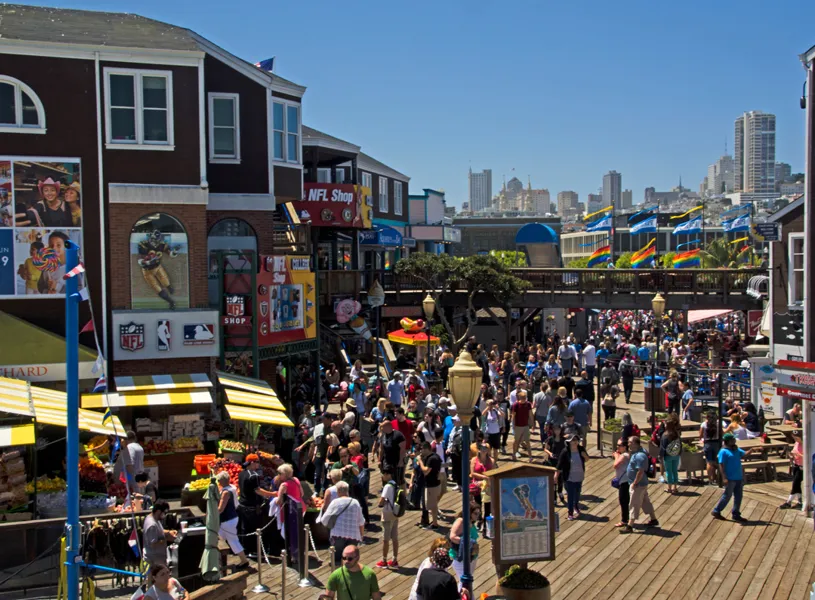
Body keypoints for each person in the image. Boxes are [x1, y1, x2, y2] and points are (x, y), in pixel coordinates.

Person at [711, 433, 759, 522]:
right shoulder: (723, 451)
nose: (734, 441)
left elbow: (744, 455)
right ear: (728, 441)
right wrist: (724, 477)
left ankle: (736, 513)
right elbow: (721, 465)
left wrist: (752, 450)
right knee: (727, 495)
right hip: (730, 478)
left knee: (738, 496)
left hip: (738, 477)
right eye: (732, 440)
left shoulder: (736, 449)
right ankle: (716, 510)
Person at [619, 436, 659, 534]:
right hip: (641, 484)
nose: (628, 444)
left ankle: (629, 526)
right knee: (645, 502)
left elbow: (640, 471)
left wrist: (634, 483)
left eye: (629, 442)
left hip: (638, 485)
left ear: (634, 443)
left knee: (633, 504)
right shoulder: (636, 453)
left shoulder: (640, 456)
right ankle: (654, 520)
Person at [237, 454, 274, 556]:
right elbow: (258, 491)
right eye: (257, 462)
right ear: (252, 462)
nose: (258, 464)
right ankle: (254, 551)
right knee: (255, 529)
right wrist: (272, 494)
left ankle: (246, 550)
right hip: (252, 506)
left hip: (242, 504)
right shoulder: (253, 475)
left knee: (245, 528)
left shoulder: (241, 473)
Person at [322, 481, 365, 564]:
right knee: (351, 560)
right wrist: (361, 535)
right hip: (353, 535)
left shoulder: (335, 502)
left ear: (338, 491)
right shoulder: (355, 502)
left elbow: (324, 520)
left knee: (337, 559)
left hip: (338, 534)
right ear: (347, 490)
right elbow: (361, 521)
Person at [215, 471, 249, 568]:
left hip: (227, 520)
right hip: (232, 518)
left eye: (219, 480)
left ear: (221, 480)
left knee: (233, 540)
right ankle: (219, 562)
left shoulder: (225, 492)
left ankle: (244, 560)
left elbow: (221, 509)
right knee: (219, 538)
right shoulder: (233, 487)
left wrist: (211, 514)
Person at [449, 502, 481, 592]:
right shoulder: (461, 521)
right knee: (464, 582)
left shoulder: (471, 522)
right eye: (475, 513)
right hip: (460, 557)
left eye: (479, 513)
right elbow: (452, 536)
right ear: (469, 512)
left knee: (468, 580)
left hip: (471, 556)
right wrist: (468, 542)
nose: (477, 516)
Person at [556, 434, 589, 520]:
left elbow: (587, 459)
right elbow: (559, 466)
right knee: (570, 495)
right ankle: (570, 513)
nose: (575, 442)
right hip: (569, 477)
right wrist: (556, 477)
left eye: (576, 440)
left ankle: (576, 506)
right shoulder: (565, 451)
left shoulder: (581, 449)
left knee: (577, 494)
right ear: (569, 442)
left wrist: (584, 455)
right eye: (573, 440)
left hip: (579, 475)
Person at [376, 466, 400, 569]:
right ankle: (394, 559)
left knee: (385, 539)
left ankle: (384, 560)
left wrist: (380, 504)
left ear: (387, 475)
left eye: (383, 474)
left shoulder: (387, 486)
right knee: (395, 537)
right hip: (395, 512)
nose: (382, 476)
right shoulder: (395, 484)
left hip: (387, 513)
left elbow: (381, 500)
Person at [142, 501, 175, 575]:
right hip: (154, 560)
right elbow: (153, 543)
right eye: (164, 513)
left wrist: (169, 532)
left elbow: (159, 531)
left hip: (158, 558)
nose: (165, 515)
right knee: (157, 583)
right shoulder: (151, 525)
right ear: (158, 511)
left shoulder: (153, 518)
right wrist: (167, 539)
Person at [417, 441, 443, 529]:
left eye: (422, 449)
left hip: (432, 485)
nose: (421, 451)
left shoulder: (431, 459)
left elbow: (425, 471)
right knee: (433, 504)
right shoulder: (436, 457)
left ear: (426, 449)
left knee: (432, 506)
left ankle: (435, 524)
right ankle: (434, 522)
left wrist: (420, 461)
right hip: (436, 484)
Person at [780, 430, 804, 509]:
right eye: (794, 438)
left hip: (802, 466)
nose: (796, 440)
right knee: (797, 484)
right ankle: (800, 501)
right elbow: (794, 451)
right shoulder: (796, 443)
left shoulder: (806, 444)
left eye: (797, 438)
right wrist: (791, 455)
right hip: (796, 464)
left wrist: (799, 455)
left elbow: (807, 456)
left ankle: (789, 502)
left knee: (795, 483)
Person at [378, 420, 406, 486]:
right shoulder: (383, 435)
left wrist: (401, 462)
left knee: (398, 481)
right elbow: (381, 448)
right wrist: (379, 460)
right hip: (386, 461)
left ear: (388, 427)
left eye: (382, 427)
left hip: (396, 461)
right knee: (386, 478)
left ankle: (401, 494)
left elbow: (402, 450)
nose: (381, 429)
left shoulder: (398, 435)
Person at [660, 415, 682, 495]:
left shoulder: (665, 435)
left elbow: (662, 447)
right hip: (676, 455)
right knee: (675, 471)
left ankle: (669, 487)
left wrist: (661, 456)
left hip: (668, 455)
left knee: (669, 472)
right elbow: (680, 444)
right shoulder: (676, 434)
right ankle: (675, 487)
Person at [544, 425, 566, 505]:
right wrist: (550, 453)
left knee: (560, 479)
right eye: (555, 429)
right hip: (552, 462)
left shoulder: (563, 440)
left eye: (558, 429)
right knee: (553, 480)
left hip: (560, 461)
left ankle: (560, 491)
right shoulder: (550, 439)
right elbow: (545, 448)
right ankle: (554, 497)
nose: (557, 431)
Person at [612, 438, 631, 528]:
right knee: (625, 500)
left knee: (623, 501)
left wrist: (616, 456)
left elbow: (615, 465)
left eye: (619, 445)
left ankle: (624, 520)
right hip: (625, 480)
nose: (617, 447)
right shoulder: (625, 455)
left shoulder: (624, 455)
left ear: (625, 446)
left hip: (625, 481)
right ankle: (627, 519)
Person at [510, 390, 533, 461]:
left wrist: (533, 424)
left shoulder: (528, 404)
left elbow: (530, 414)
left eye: (525, 397)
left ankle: (530, 456)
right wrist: (513, 424)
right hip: (518, 426)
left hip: (526, 426)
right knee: (516, 441)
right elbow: (513, 416)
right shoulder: (515, 405)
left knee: (527, 441)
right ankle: (514, 454)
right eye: (522, 397)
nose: (524, 398)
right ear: (519, 397)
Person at [700, 411, 721, 485]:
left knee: (709, 462)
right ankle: (716, 477)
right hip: (717, 443)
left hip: (708, 443)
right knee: (716, 461)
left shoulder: (704, 424)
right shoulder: (718, 424)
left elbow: (700, 435)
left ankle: (710, 480)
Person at [531, 381, 552, 448]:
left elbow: (533, 406)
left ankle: (543, 440)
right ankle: (546, 440)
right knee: (545, 428)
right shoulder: (548, 397)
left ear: (541, 387)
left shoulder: (536, 395)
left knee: (541, 428)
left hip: (539, 414)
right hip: (546, 414)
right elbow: (549, 406)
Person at [482, 398, 503, 463]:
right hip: (489, 433)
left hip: (496, 432)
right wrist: (488, 407)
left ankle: (495, 462)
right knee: (488, 449)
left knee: (496, 449)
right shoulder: (487, 412)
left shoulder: (496, 411)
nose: (491, 405)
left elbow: (503, 415)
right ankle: (490, 462)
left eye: (492, 404)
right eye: (490, 404)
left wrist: (498, 408)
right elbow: (482, 414)